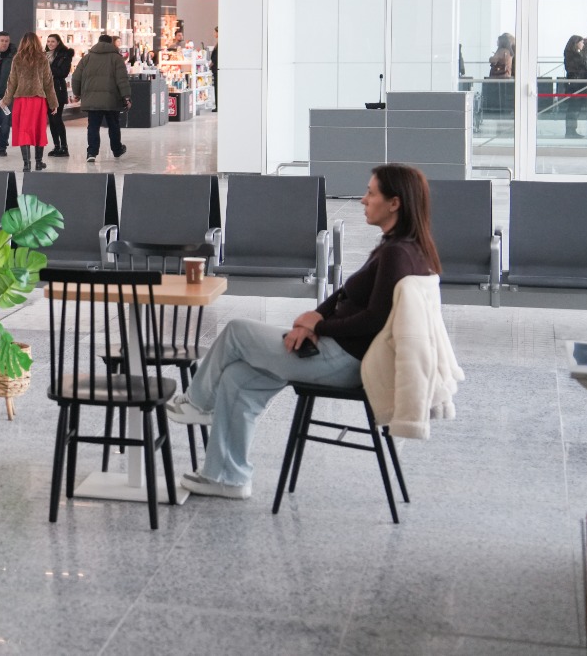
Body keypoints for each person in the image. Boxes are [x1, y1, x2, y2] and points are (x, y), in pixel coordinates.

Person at [165, 164, 440, 499]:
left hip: (342, 360)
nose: (363, 200)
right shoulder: (401, 247)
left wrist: (319, 326)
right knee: (238, 378)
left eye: (371, 193)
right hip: (337, 350)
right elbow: (345, 294)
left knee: (236, 331)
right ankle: (226, 477)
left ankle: (197, 402)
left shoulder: (397, 253)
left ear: (394, 203)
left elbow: (375, 320)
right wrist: (311, 320)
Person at [0, 33, 59, 172]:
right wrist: (53, 103)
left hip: (21, 100)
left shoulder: (18, 58)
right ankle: (39, 162)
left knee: (24, 131)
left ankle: (26, 164)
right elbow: (48, 83)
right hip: (38, 100)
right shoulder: (42, 58)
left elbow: (12, 82)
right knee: (39, 130)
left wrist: (6, 100)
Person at [71, 32, 131, 164]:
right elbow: (122, 80)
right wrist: (126, 97)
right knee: (113, 125)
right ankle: (117, 150)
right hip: (112, 99)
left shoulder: (87, 57)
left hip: (92, 99)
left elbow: (76, 77)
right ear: (111, 43)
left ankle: (91, 153)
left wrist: (77, 94)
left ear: (98, 42)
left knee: (93, 126)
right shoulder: (116, 58)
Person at [45, 33, 75, 157]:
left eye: (52, 41)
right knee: (51, 120)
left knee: (57, 118)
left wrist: (47, 68)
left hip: (58, 90)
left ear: (58, 42)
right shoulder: (44, 55)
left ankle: (64, 147)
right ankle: (56, 146)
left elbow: (63, 72)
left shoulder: (65, 55)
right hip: (46, 91)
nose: (50, 44)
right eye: (48, 41)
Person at [564, 34, 587, 138]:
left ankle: (571, 130)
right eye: (582, 42)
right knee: (573, 108)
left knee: (575, 108)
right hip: (576, 85)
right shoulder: (572, 55)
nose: (583, 44)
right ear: (576, 43)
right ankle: (570, 131)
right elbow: (574, 69)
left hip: (579, 84)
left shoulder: (574, 54)